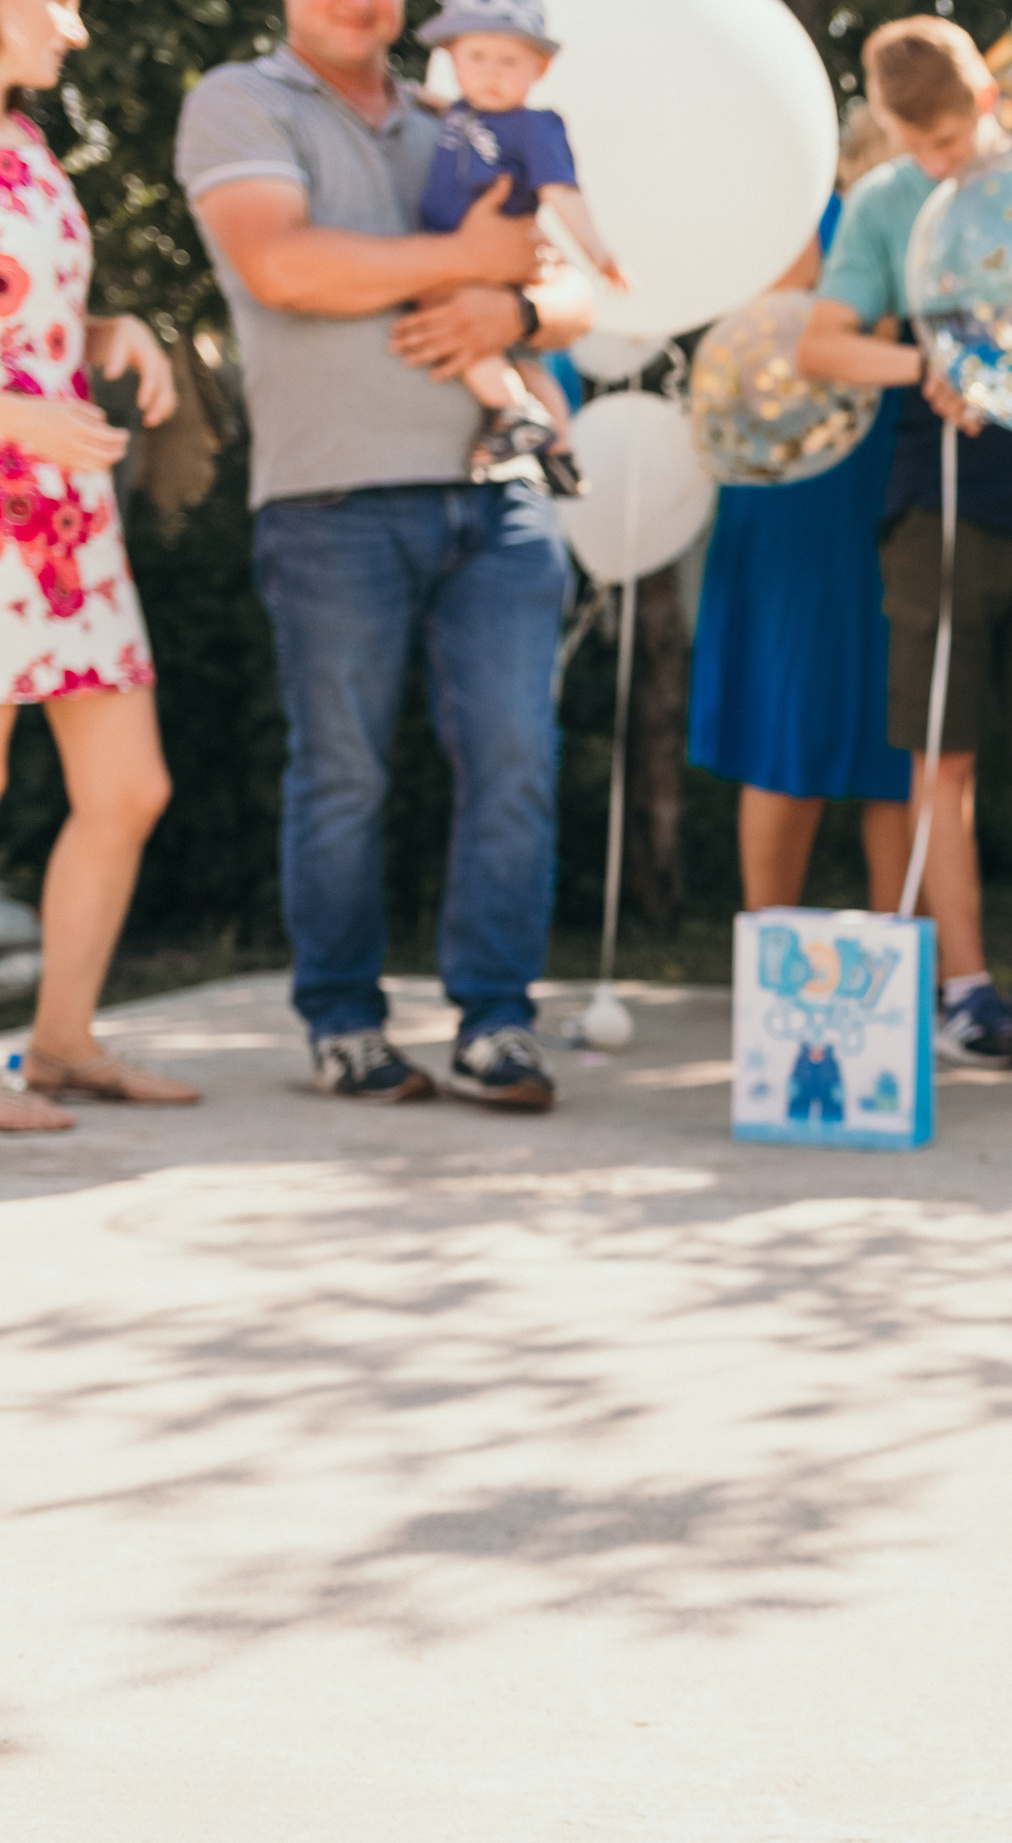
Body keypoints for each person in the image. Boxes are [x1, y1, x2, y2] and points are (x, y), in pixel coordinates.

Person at [178, 0, 593, 1110]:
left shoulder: (468, 109)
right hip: (332, 499)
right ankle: (345, 1022)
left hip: (499, 492)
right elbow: (285, 266)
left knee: (516, 759)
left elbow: (579, 287)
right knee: (344, 773)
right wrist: (466, 258)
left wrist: (510, 303)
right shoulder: (240, 101)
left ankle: (497, 1023)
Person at [798, 16, 1012, 1070]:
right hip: (935, 510)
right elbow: (821, 341)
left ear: (987, 101)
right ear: (890, 127)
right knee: (943, 759)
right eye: (917, 144)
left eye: (950, 140)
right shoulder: (887, 200)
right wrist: (919, 368)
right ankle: (967, 992)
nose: (937, 164)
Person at [0, 0, 197, 1131]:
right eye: (53, 2)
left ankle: (63, 1041)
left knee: (129, 788)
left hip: (64, 524)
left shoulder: (25, 141)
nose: (74, 28)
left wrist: (110, 329)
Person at [689, 103, 912, 918]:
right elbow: (772, 350)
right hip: (802, 498)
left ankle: (903, 960)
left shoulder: (943, 239)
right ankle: (766, 948)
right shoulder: (809, 225)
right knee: (791, 721)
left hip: (894, 497)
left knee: (900, 739)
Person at [414, 0, 620, 493]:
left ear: (539, 68)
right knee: (525, 363)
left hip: (481, 258)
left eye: (508, 62)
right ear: (452, 59)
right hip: (461, 250)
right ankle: (561, 452)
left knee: (450, 322)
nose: (491, 74)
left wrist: (596, 248)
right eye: (476, 57)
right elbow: (455, 115)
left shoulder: (535, 126)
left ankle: (512, 413)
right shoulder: (462, 112)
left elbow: (561, 192)